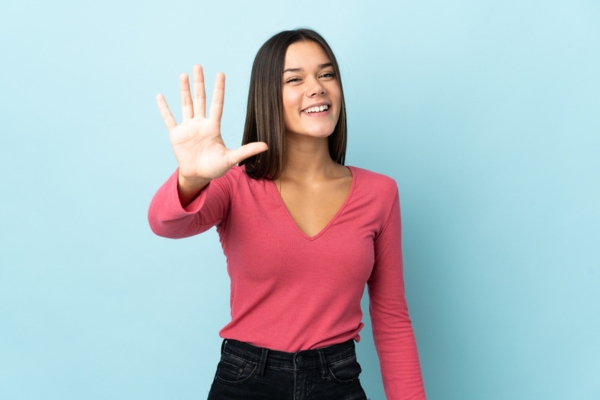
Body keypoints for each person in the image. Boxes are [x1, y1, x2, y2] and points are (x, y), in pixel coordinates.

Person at [148, 28, 426, 400]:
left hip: (337, 381)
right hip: (245, 381)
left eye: (326, 74)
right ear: (269, 96)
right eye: (295, 79)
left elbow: (391, 317)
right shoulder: (234, 185)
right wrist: (192, 176)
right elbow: (166, 223)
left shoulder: (380, 193)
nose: (317, 87)